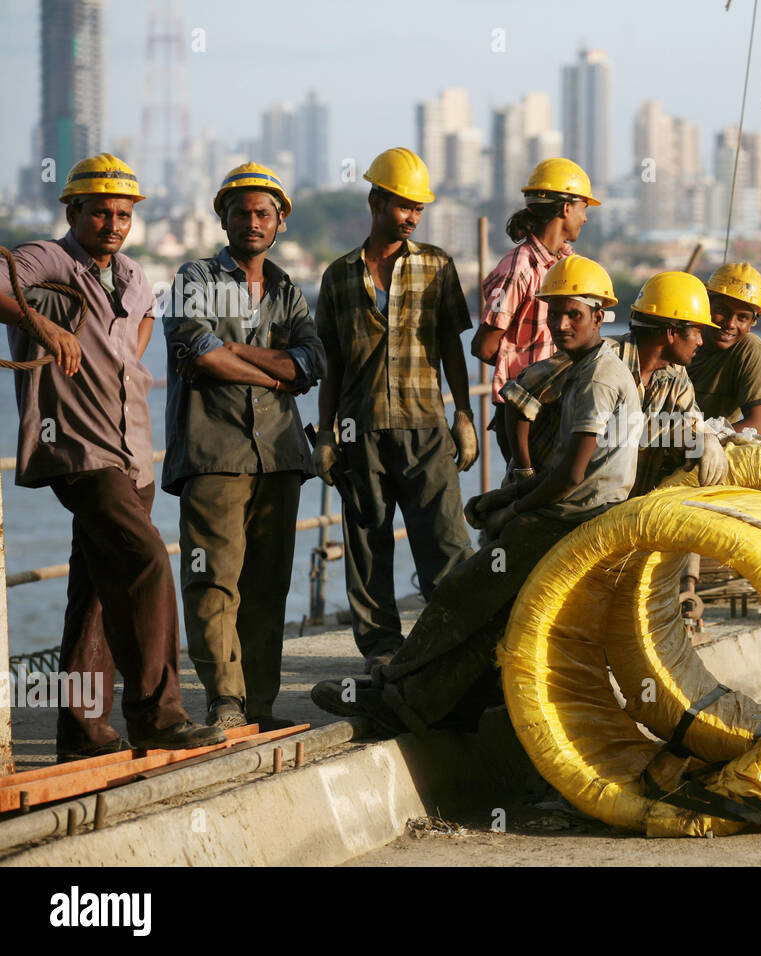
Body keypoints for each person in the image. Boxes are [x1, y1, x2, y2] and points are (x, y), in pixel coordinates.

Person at [311, 256, 641, 734]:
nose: (561, 324)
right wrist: (509, 496)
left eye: (574, 314)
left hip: (573, 518)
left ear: (598, 316)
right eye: (554, 313)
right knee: (492, 617)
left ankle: (394, 689)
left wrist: (516, 511)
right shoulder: (584, 366)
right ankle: (449, 702)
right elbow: (567, 465)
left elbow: (571, 476)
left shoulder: (595, 377)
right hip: (580, 511)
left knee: (462, 589)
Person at [0, 153, 224, 757]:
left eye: (123, 213)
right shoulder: (46, 259)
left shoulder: (132, 275)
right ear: (73, 210)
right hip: (76, 448)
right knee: (148, 561)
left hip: (132, 454)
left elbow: (142, 323)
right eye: (100, 212)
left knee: (95, 591)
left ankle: (80, 730)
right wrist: (45, 329)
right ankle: (157, 714)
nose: (113, 223)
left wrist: (117, 359)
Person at [161, 162, 325, 731]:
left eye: (263, 212)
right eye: (241, 212)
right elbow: (199, 351)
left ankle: (260, 706)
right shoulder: (194, 279)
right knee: (213, 581)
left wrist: (240, 353)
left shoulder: (288, 290)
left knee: (267, 584)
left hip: (279, 457)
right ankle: (225, 702)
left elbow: (313, 363)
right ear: (223, 219)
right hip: (215, 456)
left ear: (279, 220)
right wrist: (277, 373)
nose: (252, 222)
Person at [313, 148, 479, 676]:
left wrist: (464, 416)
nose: (410, 217)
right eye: (402, 206)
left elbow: (452, 346)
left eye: (418, 210)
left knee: (447, 545)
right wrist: (326, 435)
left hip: (426, 426)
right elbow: (331, 363)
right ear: (376, 201)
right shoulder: (338, 276)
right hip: (360, 430)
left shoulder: (436, 266)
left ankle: (453, 648)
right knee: (367, 548)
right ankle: (381, 652)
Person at [499, 270, 729, 496]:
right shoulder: (597, 360)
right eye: (697, 331)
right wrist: (524, 471)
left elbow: (691, 422)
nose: (701, 341)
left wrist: (706, 437)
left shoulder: (676, 378)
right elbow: (519, 398)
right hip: (547, 497)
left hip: (602, 508)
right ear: (671, 332)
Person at [473, 158, 597, 462]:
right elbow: (484, 346)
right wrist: (528, 373)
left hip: (556, 406)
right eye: (584, 208)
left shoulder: (566, 265)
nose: (585, 218)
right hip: (525, 414)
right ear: (567, 208)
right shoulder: (519, 269)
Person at [687, 261, 761, 434]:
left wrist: (700, 441)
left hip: (708, 453)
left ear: (751, 323)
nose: (730, 323)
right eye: (722, 310)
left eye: (742, 317)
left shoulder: (749, 350)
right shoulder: (679, 336)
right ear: (706, 305)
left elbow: (760, 426)